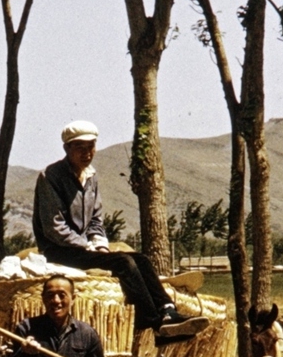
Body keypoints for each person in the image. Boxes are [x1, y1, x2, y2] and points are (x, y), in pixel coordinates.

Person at [34, 121, 206, 340]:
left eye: (91, 146)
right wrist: (87, 246)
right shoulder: (51, 177)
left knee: (141, 259)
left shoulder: (90, 176)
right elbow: (54, 227)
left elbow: (96, 218)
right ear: (67, 149)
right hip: (59, 249)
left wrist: (100, 244)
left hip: (84, 248)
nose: (87, 153)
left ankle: (167, 310)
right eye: (80, 147)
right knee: (124, 263)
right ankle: (153, 322)